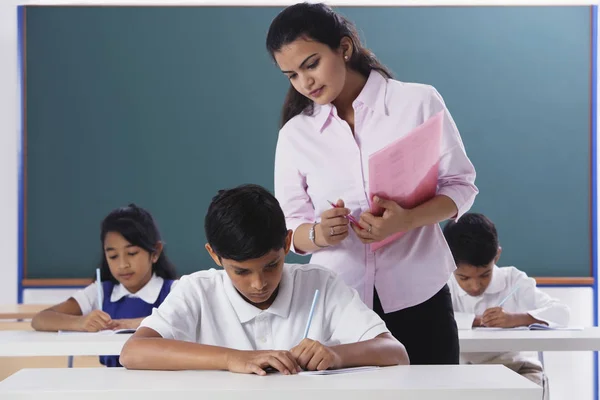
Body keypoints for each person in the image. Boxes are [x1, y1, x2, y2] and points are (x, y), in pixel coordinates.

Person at [267, 2, 478, 364]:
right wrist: (319, 234)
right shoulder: (295, 135)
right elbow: (288, 228)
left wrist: (406, 220)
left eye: (311, 64)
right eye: (292, 75)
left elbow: (461, 186)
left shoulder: (417, 102)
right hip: (341, 306)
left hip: (420, 296)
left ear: (344, 48)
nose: (306, 83)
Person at [119, 184, 409, 374]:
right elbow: (133, 352)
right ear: (215, 255)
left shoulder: (320, 284)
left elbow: (395, 352)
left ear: (286, 244)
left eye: (271, 265)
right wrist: (233, 359)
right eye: (241, 271)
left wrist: (335, 356)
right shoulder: (197, 290)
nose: (259, 283)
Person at [31, 203, 177, 367]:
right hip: (109, 383)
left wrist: (134, 324)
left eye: (132, 253)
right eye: (113, 256)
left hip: (159, 383)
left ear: (155, 252)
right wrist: (81, 322)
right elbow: (40, 319)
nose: (122, 264)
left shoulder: (174, 290)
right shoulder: (100, 292)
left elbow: (180, 321)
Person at [444, 212, 569, 396]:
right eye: (464, 278)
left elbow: (562, 313)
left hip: (518, 369)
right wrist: (475, 321)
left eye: (485, 275)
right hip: (465, 373)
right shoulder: (443, 284)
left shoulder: (513, 280)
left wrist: (517, 319)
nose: (475, 285)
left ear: (497, 256)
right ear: (446, 261)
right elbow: (426, 323)